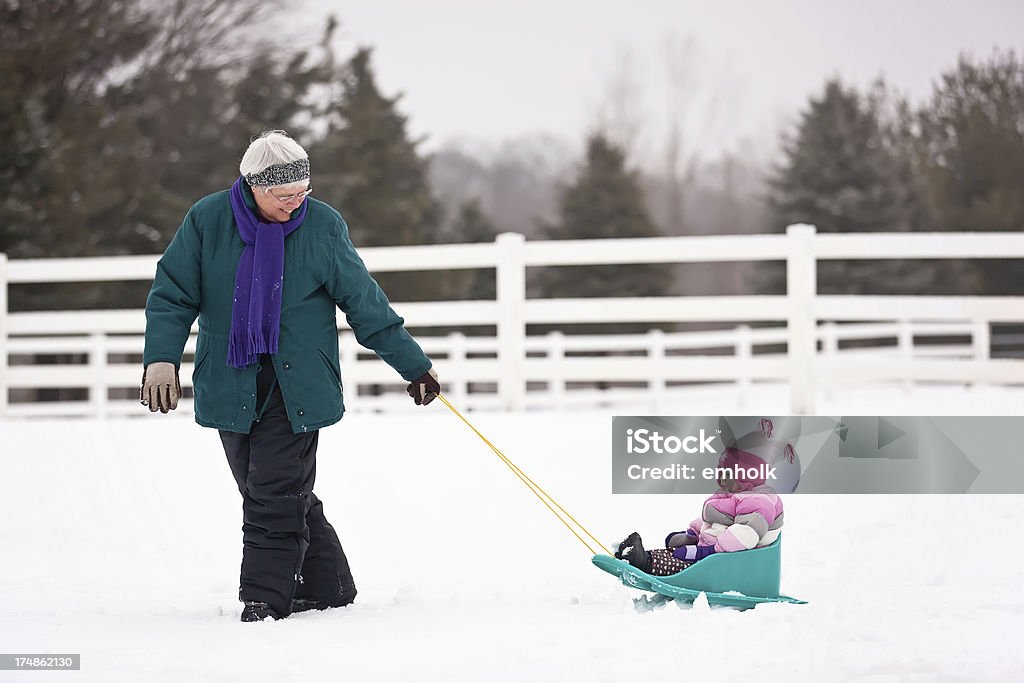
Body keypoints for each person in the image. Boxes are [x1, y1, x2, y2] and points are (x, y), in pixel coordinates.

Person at [140, 130, 440, 622]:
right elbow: (172, 294)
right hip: (230, 378)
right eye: (284, 195)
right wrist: (160, 358)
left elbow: (364, 302)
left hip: (297, 383)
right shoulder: (207, 221)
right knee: (269, 491)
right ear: (253, 186)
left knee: (274, 492)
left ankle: (265, 599)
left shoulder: (321, 226)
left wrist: (413, 365)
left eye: (302, 191)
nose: (296, 202)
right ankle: (329, 584)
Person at [615, 446, 786, 576]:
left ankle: (645, 564)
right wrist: (692, 534)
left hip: (733, 562)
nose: (720, 478)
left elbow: (744, 535)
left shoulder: (758, 502)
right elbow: (718, 521)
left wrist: (705, 552)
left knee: (686, 566)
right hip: (717, 551)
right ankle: (639, 556)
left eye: (727, 474)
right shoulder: (736, 495)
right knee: (678, 554)